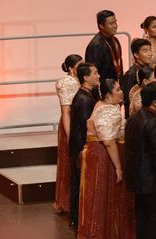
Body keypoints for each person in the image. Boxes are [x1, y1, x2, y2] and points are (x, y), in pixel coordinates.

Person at [78, 79, 131, 239]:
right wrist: (118, 167)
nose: (122, 92)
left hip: (94, 153)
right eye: (118, 89)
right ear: (108, 95)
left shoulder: (100, 105)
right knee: (104, 194)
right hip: (104, 156)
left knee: (95, 194)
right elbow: (108, 142)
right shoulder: (109, 110)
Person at [125, 82, 156, 239]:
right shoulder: (155, 123)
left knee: (142, 217)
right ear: (154, 102)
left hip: (137, 178)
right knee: (155, 220)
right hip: (152, 181)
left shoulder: (134, 118)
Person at [68, 62, 100, 229]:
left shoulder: (86, 95)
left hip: (79, 147)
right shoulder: (83, 98)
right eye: (95, 73)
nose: (98, 76)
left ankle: (77, 218)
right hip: (81, 148)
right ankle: (78, 218)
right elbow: (87, 126)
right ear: (86, 77)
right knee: (80, 184)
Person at [54, 54, 82, 214]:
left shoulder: (77, 80)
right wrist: (70, 135)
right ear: (71, 68)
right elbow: (65, 111)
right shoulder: (67, 83)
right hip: (70, 126)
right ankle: (68, 202)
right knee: (70, 161)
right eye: (80, 65)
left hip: (76, 124)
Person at [84, 10, 123, 82]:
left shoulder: (115, 41)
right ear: (101, 26)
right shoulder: (95, 45)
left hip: (115, 85)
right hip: (103, 88)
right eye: (111, 23)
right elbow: (93, 73)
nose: (115, 25)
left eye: (115, 22)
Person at [120, 38, 153, 118]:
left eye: (150, 50)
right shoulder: (131, 74)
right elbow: (128, 100)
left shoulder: (148, 69)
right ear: (136, 55)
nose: (150, 53)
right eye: (145, 51)